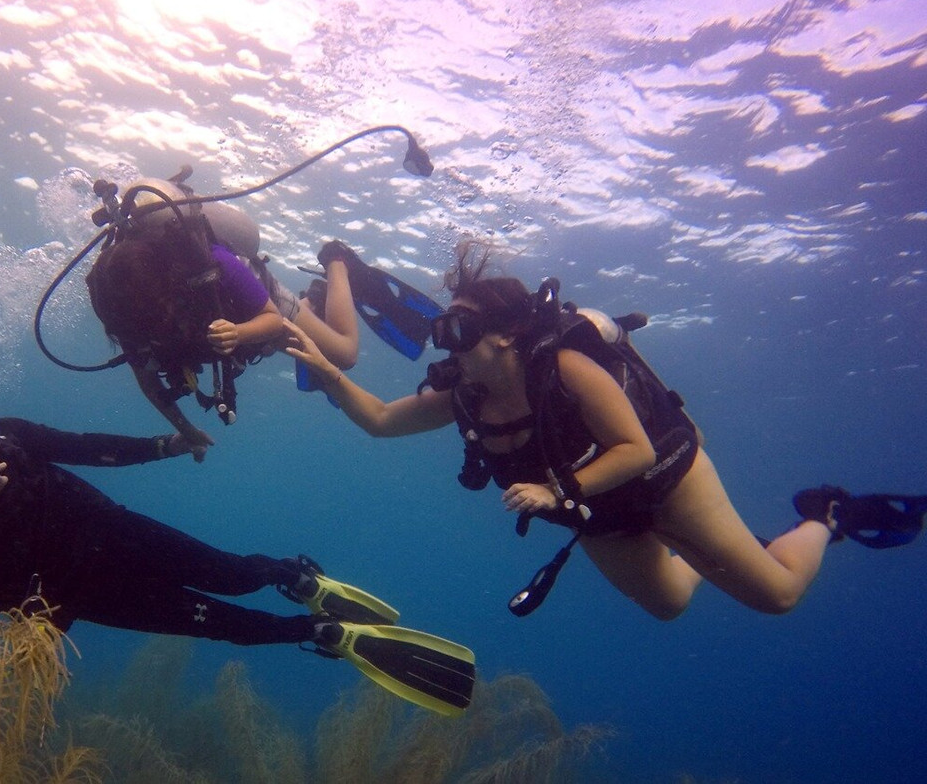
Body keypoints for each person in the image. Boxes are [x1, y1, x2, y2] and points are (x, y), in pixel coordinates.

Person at [284, 240, 926, 620]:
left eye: (459, 327)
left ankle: (826, 515)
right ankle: (730, 548)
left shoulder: (565, 368)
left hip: (661, 480)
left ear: (507, 335)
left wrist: (556, 492)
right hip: (592, 510)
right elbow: (381, 421)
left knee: (778, 596)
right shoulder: (465, 394)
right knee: (670, 603)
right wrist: (331, 377)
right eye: (443, 328)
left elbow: (635, 448)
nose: (445, 340)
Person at [0, 379, 476, 716]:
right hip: (78, 592)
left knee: (232, 573)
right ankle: (322, 636)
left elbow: (85, 445)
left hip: (111, 529)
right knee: (217, 624)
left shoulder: (7, 436)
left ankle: (296, 578)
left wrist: (166, 444)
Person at [84, 177, 440, 457]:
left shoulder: (215, 263)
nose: (158, 328)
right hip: (232, 325)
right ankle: (313, 303)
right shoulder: (125, 313)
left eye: (159, 315)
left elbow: (269, 318)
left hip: (253, 302)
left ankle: (337, 260)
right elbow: (150, 384)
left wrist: (238, 332)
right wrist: (187, 430)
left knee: (344, 355)